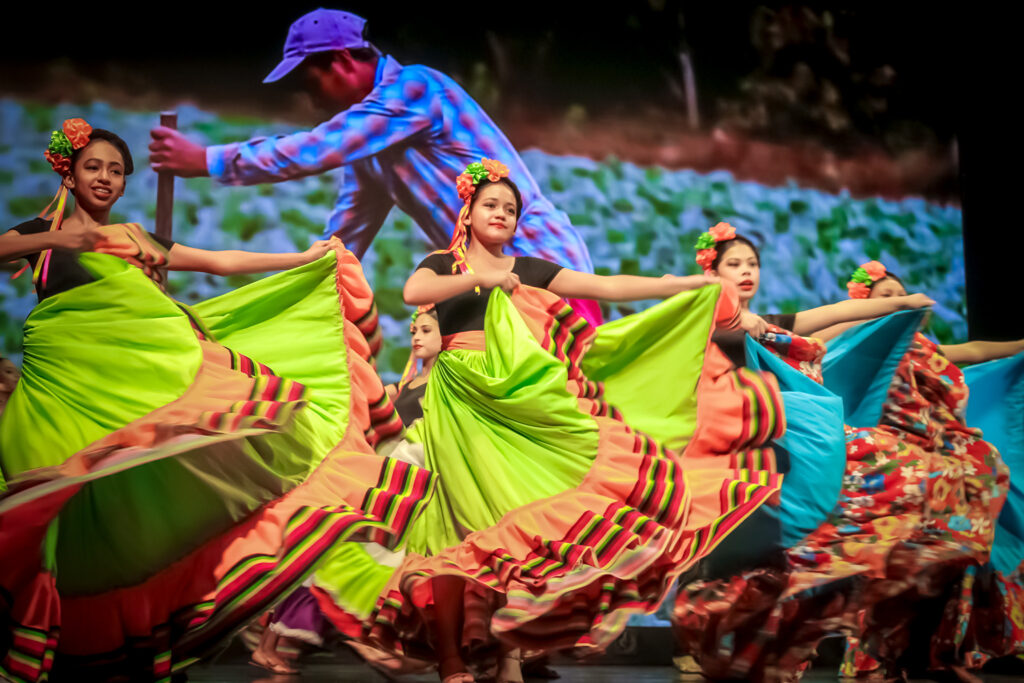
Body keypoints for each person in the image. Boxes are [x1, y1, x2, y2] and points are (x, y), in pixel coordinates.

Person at [302, 159, 786, 683]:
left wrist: (679, 284)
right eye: (492, 205)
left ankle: (507, 652)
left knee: (519, 520)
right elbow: (412, 293)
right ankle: (450, 657)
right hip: (460, 398)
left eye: (511, 210)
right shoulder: (444, 263)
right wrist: (484, 276)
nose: (503, 215)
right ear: (468, 210)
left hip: (517, 401)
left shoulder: (527, 268)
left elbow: (603, 286)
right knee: (449, 531)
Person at [0, 118, 435, 682]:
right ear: (69, 173)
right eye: (94, 167)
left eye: (115, 170)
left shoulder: (134, 238)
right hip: (66, 388)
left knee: (140, 494)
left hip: (140, 378)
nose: (105, 178)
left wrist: (300, 260)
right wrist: (57, 239)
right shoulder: (42, 235)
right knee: (55, 505)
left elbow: (220, 261)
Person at [147, 8, 602, 322]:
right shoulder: (371, 149)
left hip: (543, 269)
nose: (310, 98)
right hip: (485, 281)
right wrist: (291, 301)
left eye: (310, 81)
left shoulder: (415, 89)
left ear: (342, 61)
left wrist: (205, 159)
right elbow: (346, 237)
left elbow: (316, 149)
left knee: (562, 414)